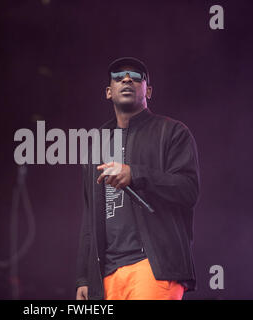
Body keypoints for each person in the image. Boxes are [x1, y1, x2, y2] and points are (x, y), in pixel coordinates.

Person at [75, 57, 200, 300]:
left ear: (148, 90)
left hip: (153, 268)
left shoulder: (172, 131)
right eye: (118, 76)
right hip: (107, 274)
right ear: (108, 92)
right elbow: (89, 216)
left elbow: (189, 190)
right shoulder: (97, 143)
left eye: (136, 76)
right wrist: (84, 277)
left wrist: (136, 175)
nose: (127, 79)